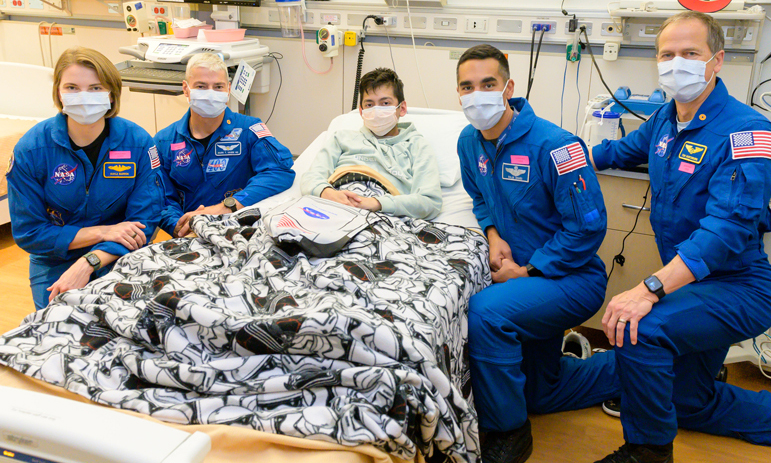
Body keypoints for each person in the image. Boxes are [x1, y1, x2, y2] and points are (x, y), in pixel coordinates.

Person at [591, 11, 771, 463]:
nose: (678, 64)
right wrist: (557, 155)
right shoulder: (665, 122)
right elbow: (618, 151)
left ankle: (648, 451)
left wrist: (649, 288)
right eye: (668, 55)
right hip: (692, 284)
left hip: (738, 285)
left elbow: (725, 230)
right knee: (689, 404)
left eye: (691, 54)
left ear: (717, 61)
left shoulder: (748, 131)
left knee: (638, 328)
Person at [455, 44, 619, 463]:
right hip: (521, 275)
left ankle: (509, 432)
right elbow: (479, 197)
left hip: (571, 277)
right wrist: (492, 234)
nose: (477, 95)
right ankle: (639, 367)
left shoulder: (557, 146)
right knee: (541, 393)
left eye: (487, 84)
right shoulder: (469, 142)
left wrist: (527, 272)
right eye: (467, 87)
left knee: (486, 313)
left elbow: (587, 228)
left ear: (508, 87)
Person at [6, 47, 163, 311]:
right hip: (56, 259)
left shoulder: (138, 143)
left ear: (112, 94)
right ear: (58, 92)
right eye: (72, 87)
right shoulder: (31, 149)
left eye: (95, 88)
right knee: (59, 327)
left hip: (118, 253)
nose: (83, 97)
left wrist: (89, 261)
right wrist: (101, 231)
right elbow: (29, 232)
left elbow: (144, 222)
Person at [154, 53, 295, 237]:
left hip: (241, 232)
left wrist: (227, 207)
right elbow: (160, 197)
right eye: (201, 86)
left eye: (218, 87)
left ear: (228, 90)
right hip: (189, 236)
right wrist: (181, 226)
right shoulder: (164, 141)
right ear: (186, 89)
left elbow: (281, 171)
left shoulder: (249, 130)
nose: (211, 93)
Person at [301, 67, 442, 220]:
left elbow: (430, 202)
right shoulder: (341, 138)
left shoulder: (417, 146)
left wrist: (376, 203)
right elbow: (311, 177)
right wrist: (328, 193)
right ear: (361, 111)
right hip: (333, 202)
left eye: (385, 103)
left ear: (402, 108)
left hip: (381, 210)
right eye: (369, 105)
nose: (376, 110)